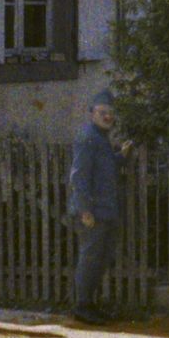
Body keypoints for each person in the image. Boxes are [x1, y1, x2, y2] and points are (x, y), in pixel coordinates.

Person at [66, 89, 131, 323]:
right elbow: (79, 176)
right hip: (92, 213)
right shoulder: (88, 137)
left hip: (104, 212)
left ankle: (89, 305)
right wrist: (85, 210)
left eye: (111, 113)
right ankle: (82, 306)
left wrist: (120, 157)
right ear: (92, 113)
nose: (107, 117)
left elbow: (105, 168)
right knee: (90, 258)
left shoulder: (100, 138)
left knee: (99, 259)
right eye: (102, 112)